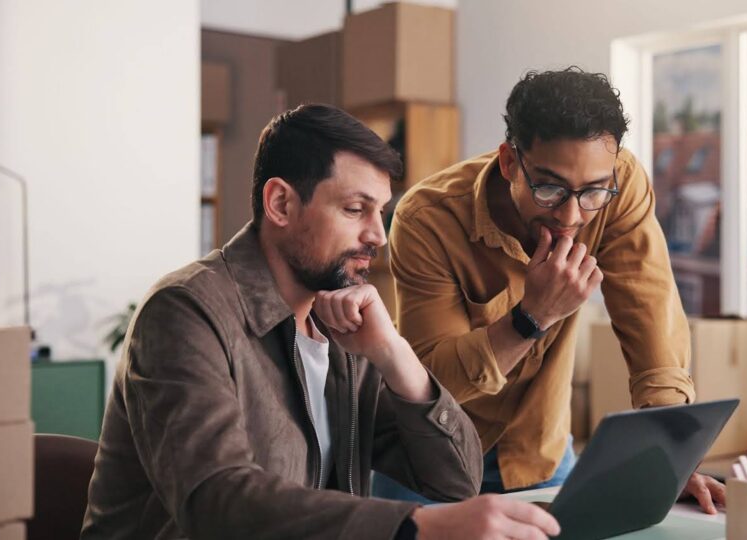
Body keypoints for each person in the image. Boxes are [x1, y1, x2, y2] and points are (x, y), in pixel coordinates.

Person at [81, 104, 561, 540]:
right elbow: (215, 502)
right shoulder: (185, 312)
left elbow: (454, 479)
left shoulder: (342, 329)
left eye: (381, 212)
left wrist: (393, 353)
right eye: (355, 209)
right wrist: (412, 525)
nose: (378, 235)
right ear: (281, 204)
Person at [379, 68, 725, 513]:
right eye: (549, 188)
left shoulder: (621, 185)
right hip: (429, 461)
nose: (571, 215)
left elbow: (651, 314)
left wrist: (668, 451)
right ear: (509, 162)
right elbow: (429, 381)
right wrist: (531, 319)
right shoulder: (428, 218)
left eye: (593, 192)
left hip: (539, 452)